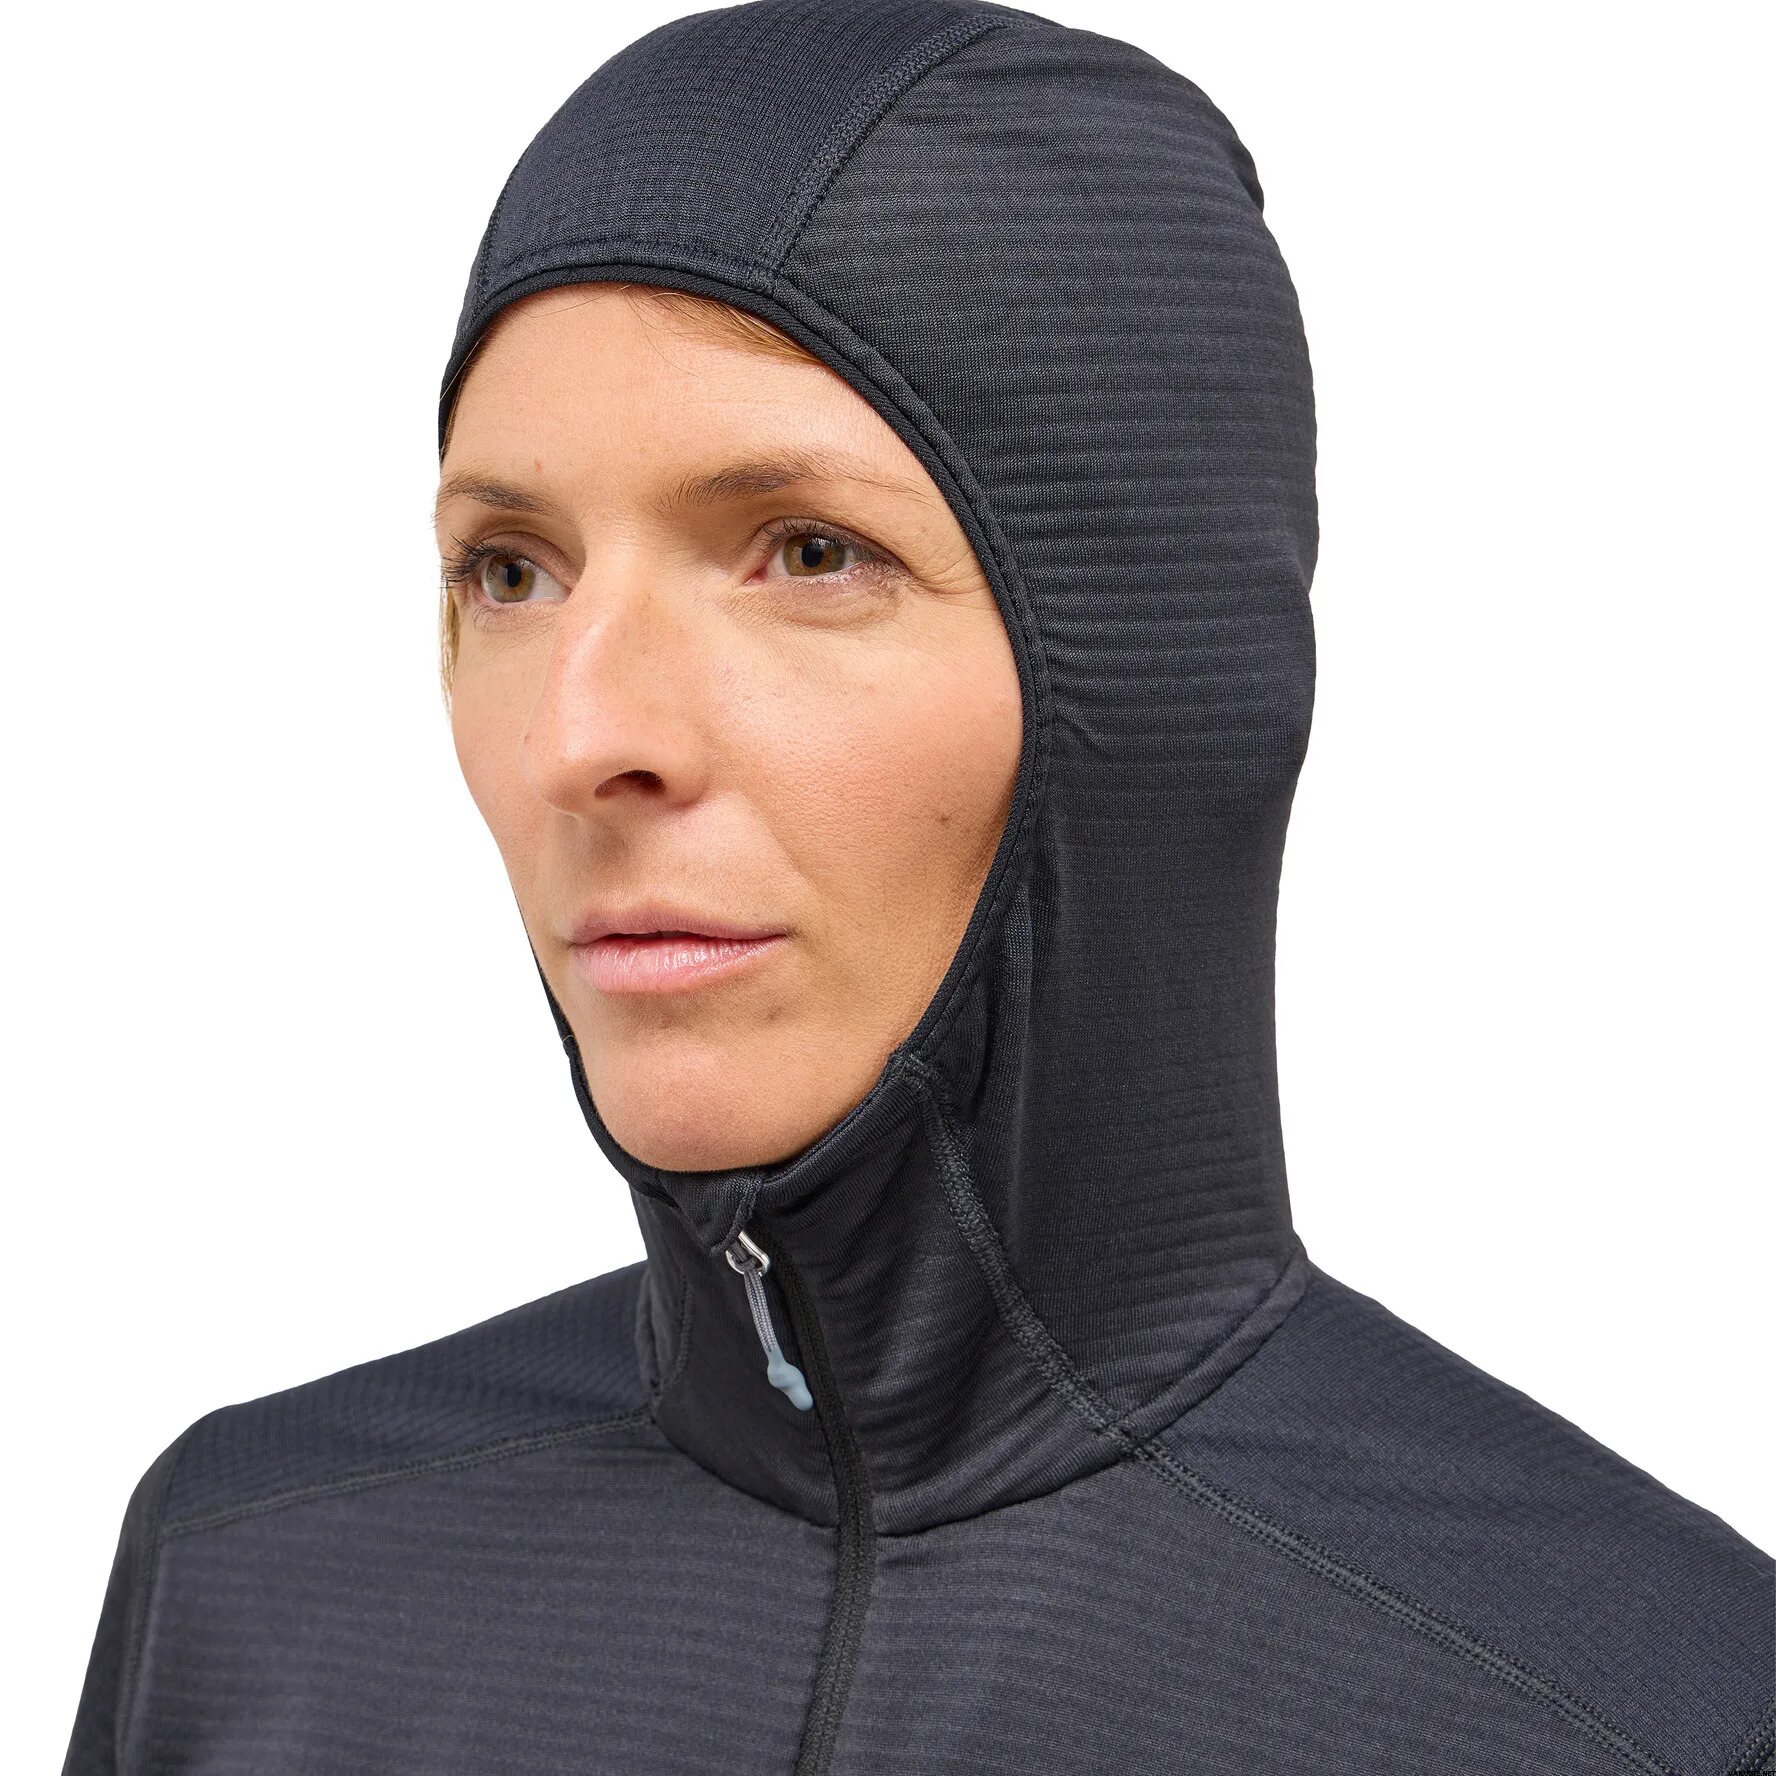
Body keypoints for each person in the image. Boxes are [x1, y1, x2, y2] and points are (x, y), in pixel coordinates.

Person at [62, 1, 1774, 1772]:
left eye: (808, 552)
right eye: (510, 570)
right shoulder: (244, 1584)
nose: (581, 736)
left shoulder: (1653, 1714)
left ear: (1158, 695)